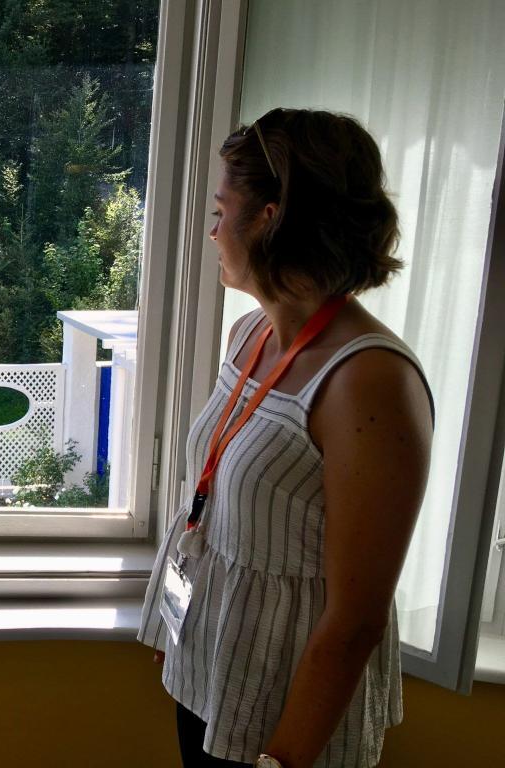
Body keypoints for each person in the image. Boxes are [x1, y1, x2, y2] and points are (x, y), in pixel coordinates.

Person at [138, 109, 434, 768]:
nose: (213, 230)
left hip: (282, 717)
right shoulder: (250, 334)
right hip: (212, 679)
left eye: (223, 209)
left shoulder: (369, 383)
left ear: (270, 218)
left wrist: (284, 760)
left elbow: (356, 618)